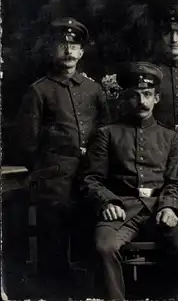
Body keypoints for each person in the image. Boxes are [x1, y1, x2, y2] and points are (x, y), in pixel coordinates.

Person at [82, 62, 178, 301]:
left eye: (147, 95)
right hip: (123, 209)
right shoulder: (107, 134)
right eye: (134, 95)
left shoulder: (171, 137)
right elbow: (92, 179)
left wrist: (169, 206)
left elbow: (175, 181)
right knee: (105, 246)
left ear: (156, 98)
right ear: (125, 98)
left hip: (159, 208)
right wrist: (107, 202)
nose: (141, 102)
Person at [16, 17, 110, 299]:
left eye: (74, 45)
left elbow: (106, 133)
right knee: (53, 248)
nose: (69, 51)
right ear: (51, 49)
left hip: (89, 179)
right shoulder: (39, 90)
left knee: (88, 243)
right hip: (53, 181)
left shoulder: (94, 90)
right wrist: (48, 169)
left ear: (82, 52)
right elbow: (27, 143)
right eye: (62, 44)